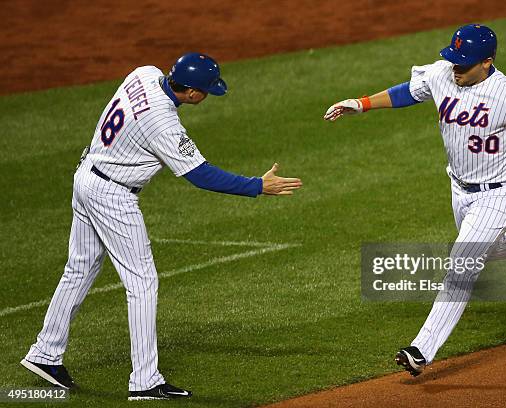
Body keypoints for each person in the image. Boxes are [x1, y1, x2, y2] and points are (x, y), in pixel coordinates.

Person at [22, 52, 302, 400]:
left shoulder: (144, 73)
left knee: (79, 269)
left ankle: (45, 353)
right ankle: (144, 381)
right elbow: (200, 175)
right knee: (142, 282)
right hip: (112, 195)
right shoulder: (163, 122)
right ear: (194, 93)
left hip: (87, 176)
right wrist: (258, 186)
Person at [324, 24, 506, 376]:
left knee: (461, 263)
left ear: (487, 63)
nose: (456, 69)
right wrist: (363, 104)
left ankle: (422, 348)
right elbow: (409, 91)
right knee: (489, 248)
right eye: (454, 60)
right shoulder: (443, 74)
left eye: (464, 64)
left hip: (501, 193)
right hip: (460, 191)